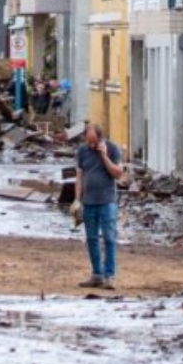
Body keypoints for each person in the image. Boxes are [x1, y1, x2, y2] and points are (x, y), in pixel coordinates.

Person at [76, 123, 124, 290]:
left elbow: (118, 173)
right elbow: (79, 176)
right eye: (88, 142)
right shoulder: (82, 151)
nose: (91, 145)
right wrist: (77, 199)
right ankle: (97, 274)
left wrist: (104, 156)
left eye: (93, 142)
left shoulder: (112, 149)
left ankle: (109, 275)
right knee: (92, 239)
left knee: (109, 238)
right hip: (88, 202)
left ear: (100, 138)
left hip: (107, 201)